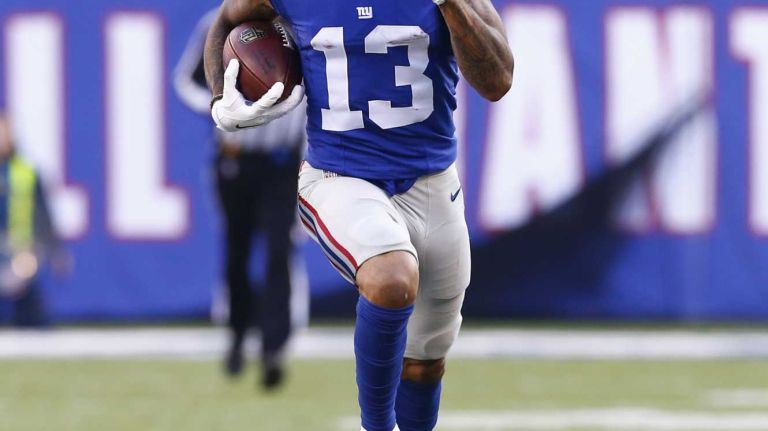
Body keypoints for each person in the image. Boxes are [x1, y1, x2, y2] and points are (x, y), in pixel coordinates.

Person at [204, 0, 513, 429]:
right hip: (339, 175)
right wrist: (221, 98)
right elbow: (226, 19)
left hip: (432, 182)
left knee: (425, 361)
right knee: (391, 278)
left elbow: (497, 81)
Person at [174, 9, 308, 390]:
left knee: (279, 250)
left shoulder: (304, 18)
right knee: (237, 250)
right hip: (235, 158)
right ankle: (236, 335)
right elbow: (185, 80)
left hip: (282, 161)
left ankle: (274, 347)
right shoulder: (218, 22)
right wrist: (219, 104)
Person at [0, 111, 68, 327]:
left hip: (18, 250)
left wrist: (55, 250)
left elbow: (43, 213)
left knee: (29, 306)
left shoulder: (25, 170)